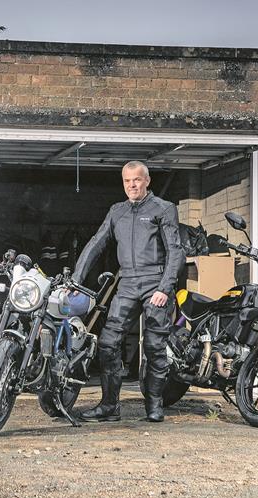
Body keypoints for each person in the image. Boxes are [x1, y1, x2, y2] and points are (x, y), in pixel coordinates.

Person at [72, 160, 185, 422]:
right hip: (127, 283)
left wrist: (165, 288)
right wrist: (77, 278)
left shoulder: (163, 209)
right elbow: (95, 244)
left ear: (147, 181)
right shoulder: (117, 211)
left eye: (136, 180)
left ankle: (155, 406)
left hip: (155, 282)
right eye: (127, 181)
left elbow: (175, 251)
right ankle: (110, 406)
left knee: (155, 347)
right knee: (108, 342)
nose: (132, 185)